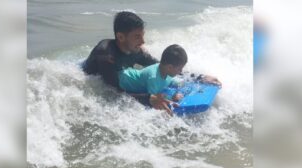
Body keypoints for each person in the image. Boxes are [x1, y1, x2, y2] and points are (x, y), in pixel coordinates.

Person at [82, 11, 221, 114]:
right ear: (120, 37)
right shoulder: (106, 55)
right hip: (86, 82)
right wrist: (149, 98)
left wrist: (198, 78)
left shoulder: (136, 51)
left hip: (120, 77)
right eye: (137, 37)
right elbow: (115, 92)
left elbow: (165, 66)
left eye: (142, 35)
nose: (143, 42)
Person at [119, 44, 187, 106]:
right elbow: (154, 100)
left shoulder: (166, 70)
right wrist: (171, 98)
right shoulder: (153, 79)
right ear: (169, 67)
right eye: (179, 69)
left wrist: (177, 92)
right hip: (124, 80)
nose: (181, 71)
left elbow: (177, 82)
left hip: (131, 73)